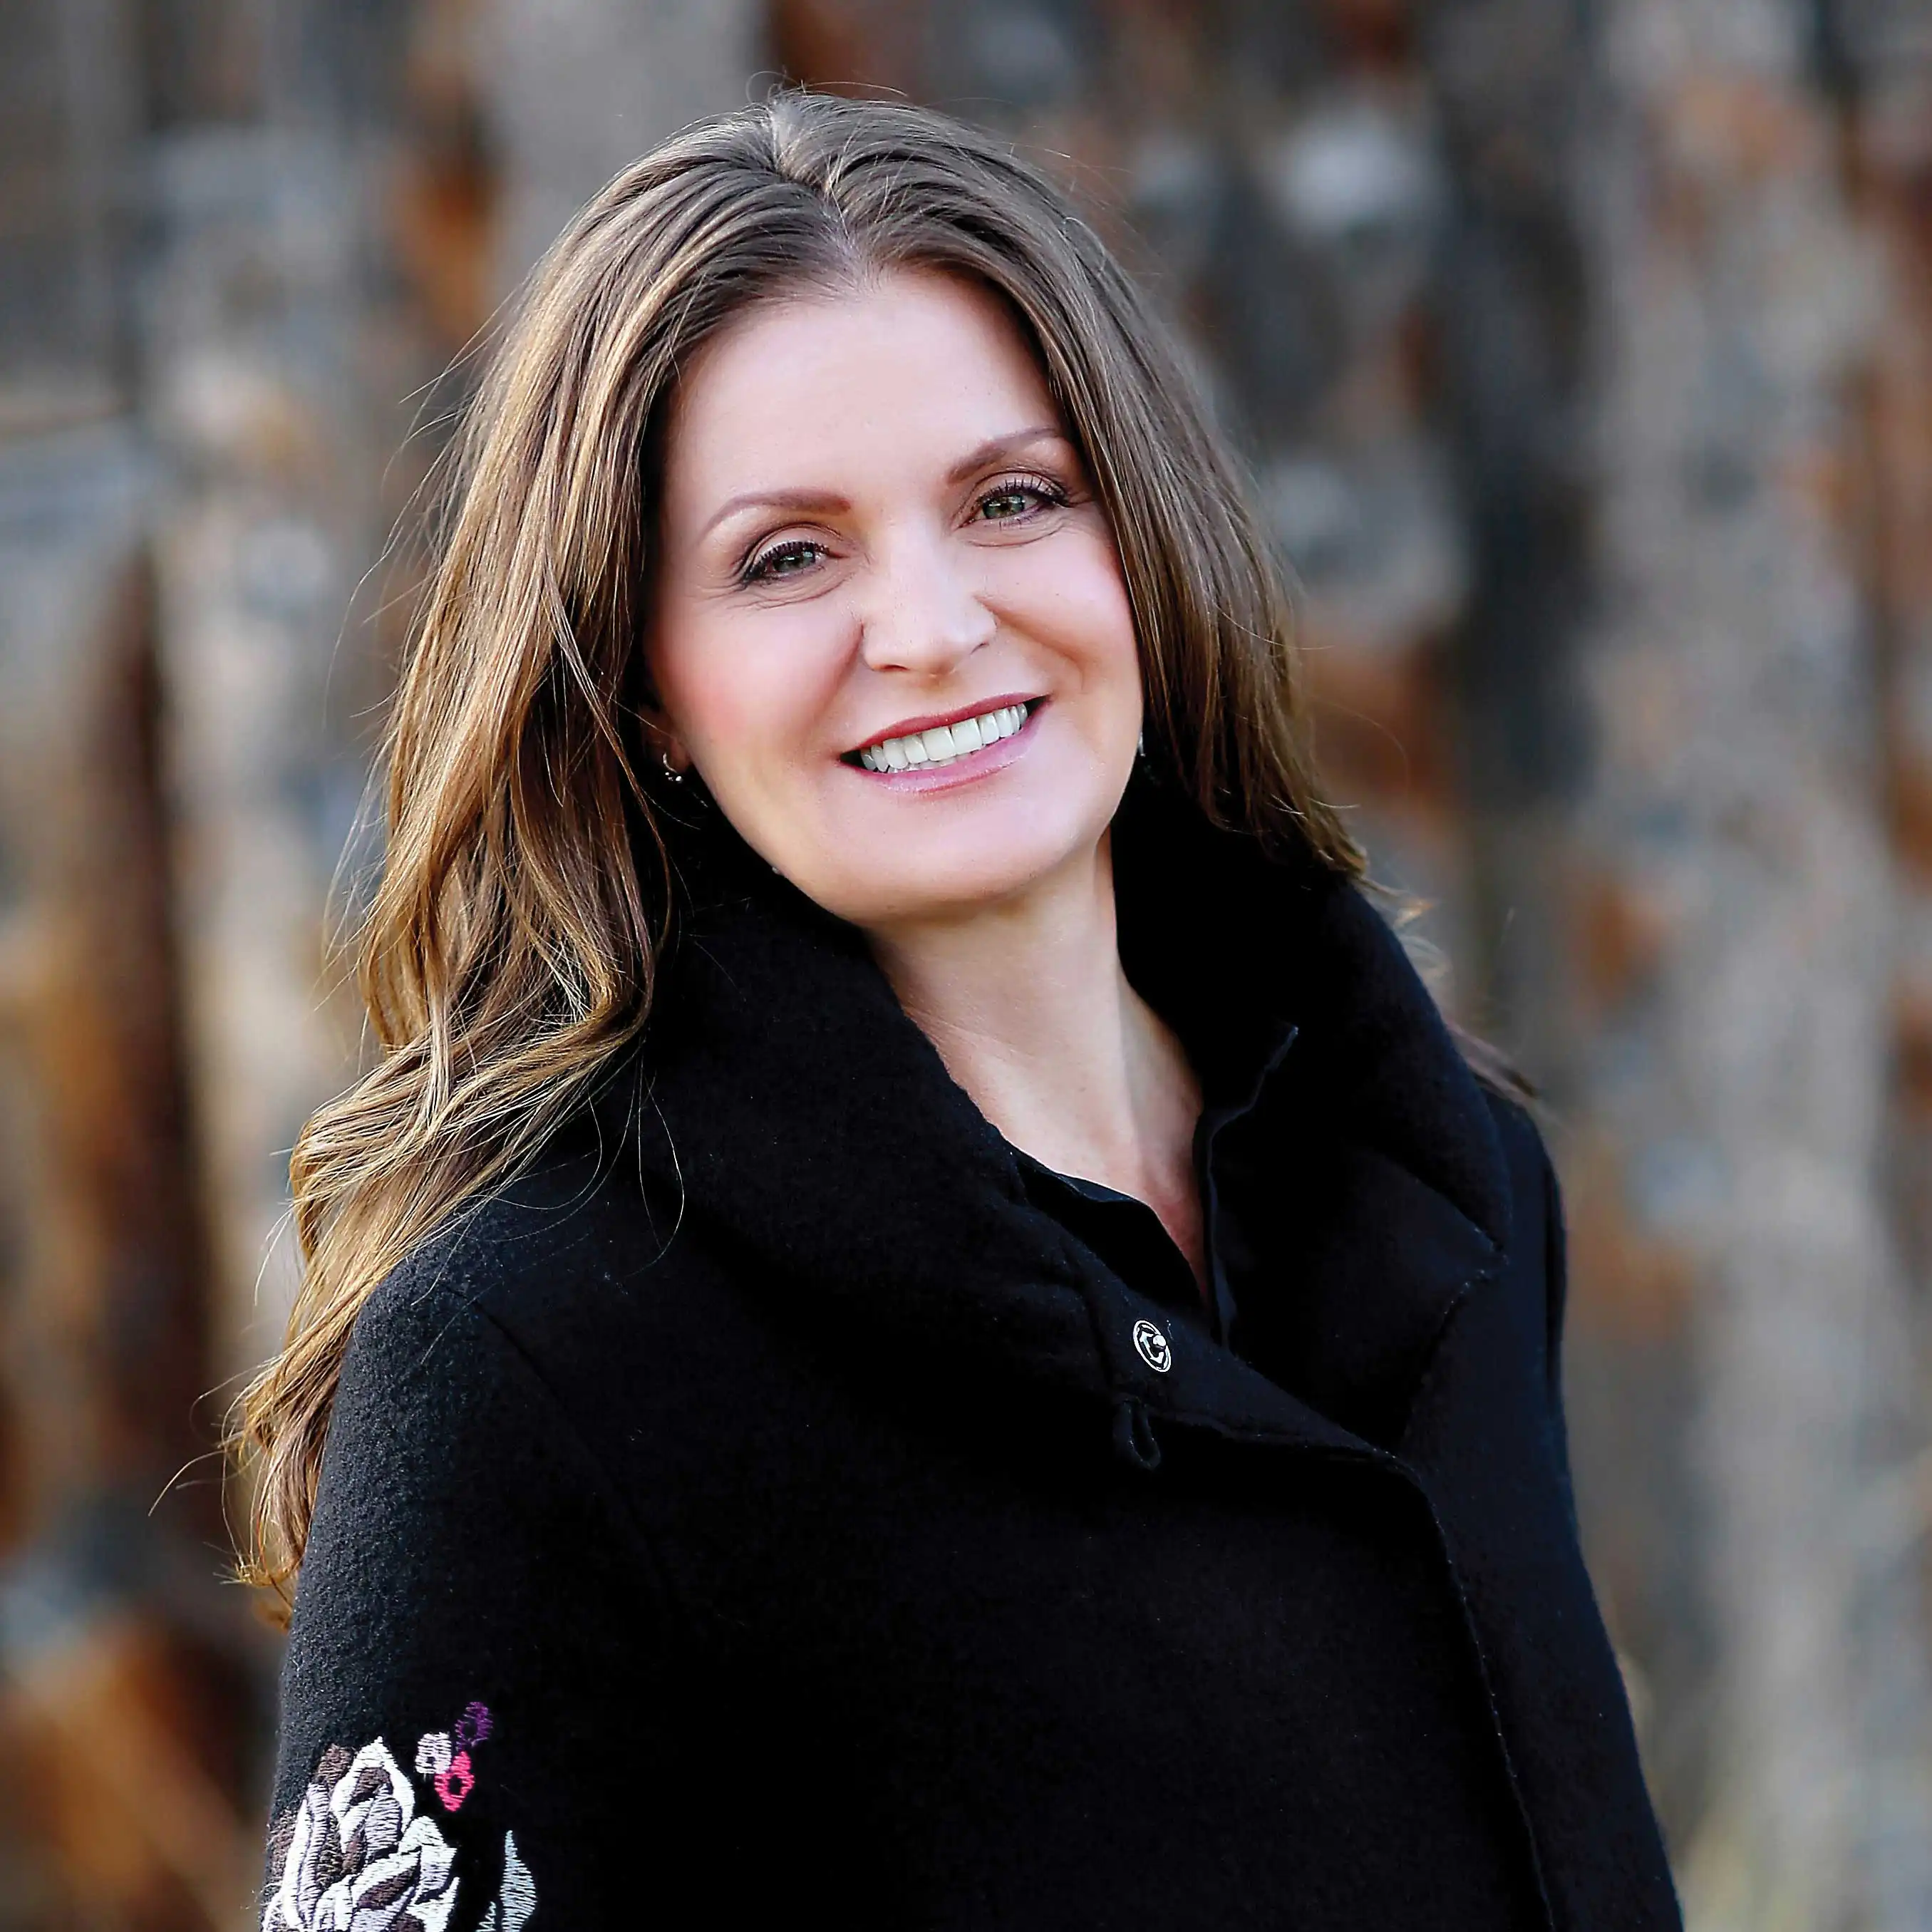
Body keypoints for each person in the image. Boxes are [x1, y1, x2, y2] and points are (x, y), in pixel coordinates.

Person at [239, 91, 1679, 1930]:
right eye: (788, 555)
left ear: (1135, 545)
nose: (926, 625)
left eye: (1013, 500)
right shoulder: (540, 1359)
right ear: (645, 689)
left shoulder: (1452, 1179)